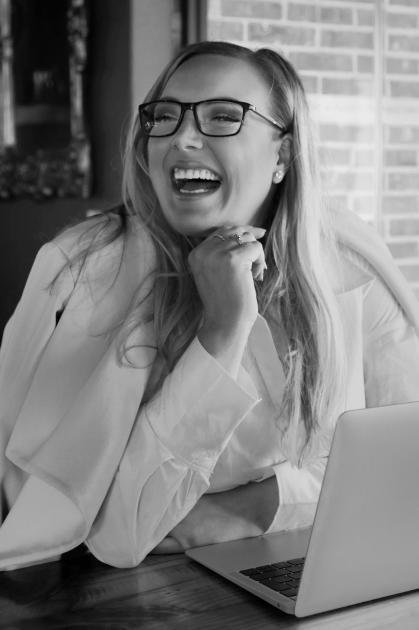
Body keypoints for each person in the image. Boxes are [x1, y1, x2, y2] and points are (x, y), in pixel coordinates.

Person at [0, 41, 419, 570]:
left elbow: (405, 467)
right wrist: (223, 330)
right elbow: (113, 534)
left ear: (282, 156)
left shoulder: (351, 261)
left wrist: (248, 509)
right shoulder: (84, 273)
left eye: (223, 116)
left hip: (331, 577)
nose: (183, 137)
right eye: (165, 117)